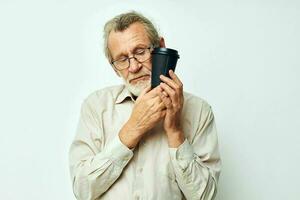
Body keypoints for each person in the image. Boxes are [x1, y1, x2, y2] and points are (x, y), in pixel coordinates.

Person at [69, 11, 221, 200]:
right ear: (114, 68)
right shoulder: (96, 106)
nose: (133, 67)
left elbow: (205, 196)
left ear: (161, 48)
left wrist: (175, 131)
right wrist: (133, 128)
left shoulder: (199, 111)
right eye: (122, 59)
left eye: (140, 52)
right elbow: (82, 190)